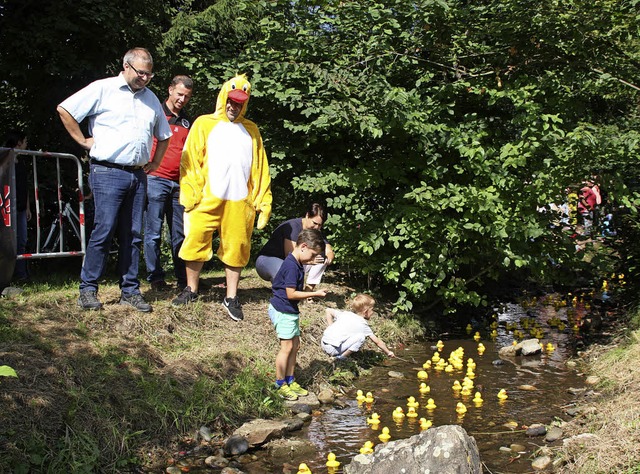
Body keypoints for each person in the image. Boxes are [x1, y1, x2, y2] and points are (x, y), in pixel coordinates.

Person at [57, 47, 172, 312]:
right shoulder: (103, 89)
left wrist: (155, 162)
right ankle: (88, 290)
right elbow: (65, 109)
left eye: (149, 74)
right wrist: (83, 140)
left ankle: (130, 291)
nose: (145, 78)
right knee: (104, 230)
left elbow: (164, 135)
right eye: (141, 72)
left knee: (133, 234)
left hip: (138, 174)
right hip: (107, 171)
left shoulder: (151, 99)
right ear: (126, 66)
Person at [173, 74, 272, 322]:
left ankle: (231, 297)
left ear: (245, 104)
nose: (233, 106)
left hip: (240, 201)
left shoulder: (252, 130)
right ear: (223, 97)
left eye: (239, 103)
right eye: (231, 100)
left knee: (237, 246)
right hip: (207, 198)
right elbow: (190, 160)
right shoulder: (204, 123)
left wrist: (262, 200)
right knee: (195, 240)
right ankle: (191, 289)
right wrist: (191, 191)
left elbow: (261, 168)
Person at [144, 75, 194, 291]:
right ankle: (156, 278)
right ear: (170, 89)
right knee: (153, 232)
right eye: (180, 94)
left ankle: (184, 279)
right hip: (155, 179)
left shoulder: (188, 122)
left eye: (187, 96)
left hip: (179, 184)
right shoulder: (154, 112)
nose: (182, 99)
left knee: (180, 235)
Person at [268, 228, 328, 400]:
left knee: (295, 346)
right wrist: (314, 294)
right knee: (286, 347)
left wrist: (312, 260)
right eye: (311, 255)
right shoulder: (292, 266)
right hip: (282, 309)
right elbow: (291, 294)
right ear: (303, 246)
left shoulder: (298, 262)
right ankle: (280, 383)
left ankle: (290, 379)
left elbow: (294, 291)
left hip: (290, 310)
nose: (311, 260)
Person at [256, 202, 335, 290]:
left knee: (321, 258)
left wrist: (328, 258)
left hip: (291, 262)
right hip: (267, 259)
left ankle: (308, 291)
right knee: (288, 276)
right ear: (307, 215)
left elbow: (329, 250)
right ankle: (284, 288)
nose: (317, 227)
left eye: (320, 225)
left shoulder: (316, 231)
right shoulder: (293, 227)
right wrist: (310, 261)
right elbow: (290, 256)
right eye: (315, 223)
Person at [321, 293, 395, 360]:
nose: (373, 312)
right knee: (361, 337)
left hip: (323, 343)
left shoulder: (346, 314)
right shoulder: (363, 325)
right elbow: (378, 342)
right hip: (332, 350)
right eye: (372, 310)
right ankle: (341, 357)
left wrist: (330, 327)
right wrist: (388, 352)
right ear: (366, 312)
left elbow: (328, 310)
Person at [4, 130, 30, 282]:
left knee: (22, 241)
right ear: (18, 142)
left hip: (20, 208)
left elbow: (24, 187)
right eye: (25, 141)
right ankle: (6, 275)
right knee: (7, 242)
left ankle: (21, 274)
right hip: (7, 209)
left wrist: (27, 207)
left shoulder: (21, 163)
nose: (26, 145)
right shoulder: (4, 161)